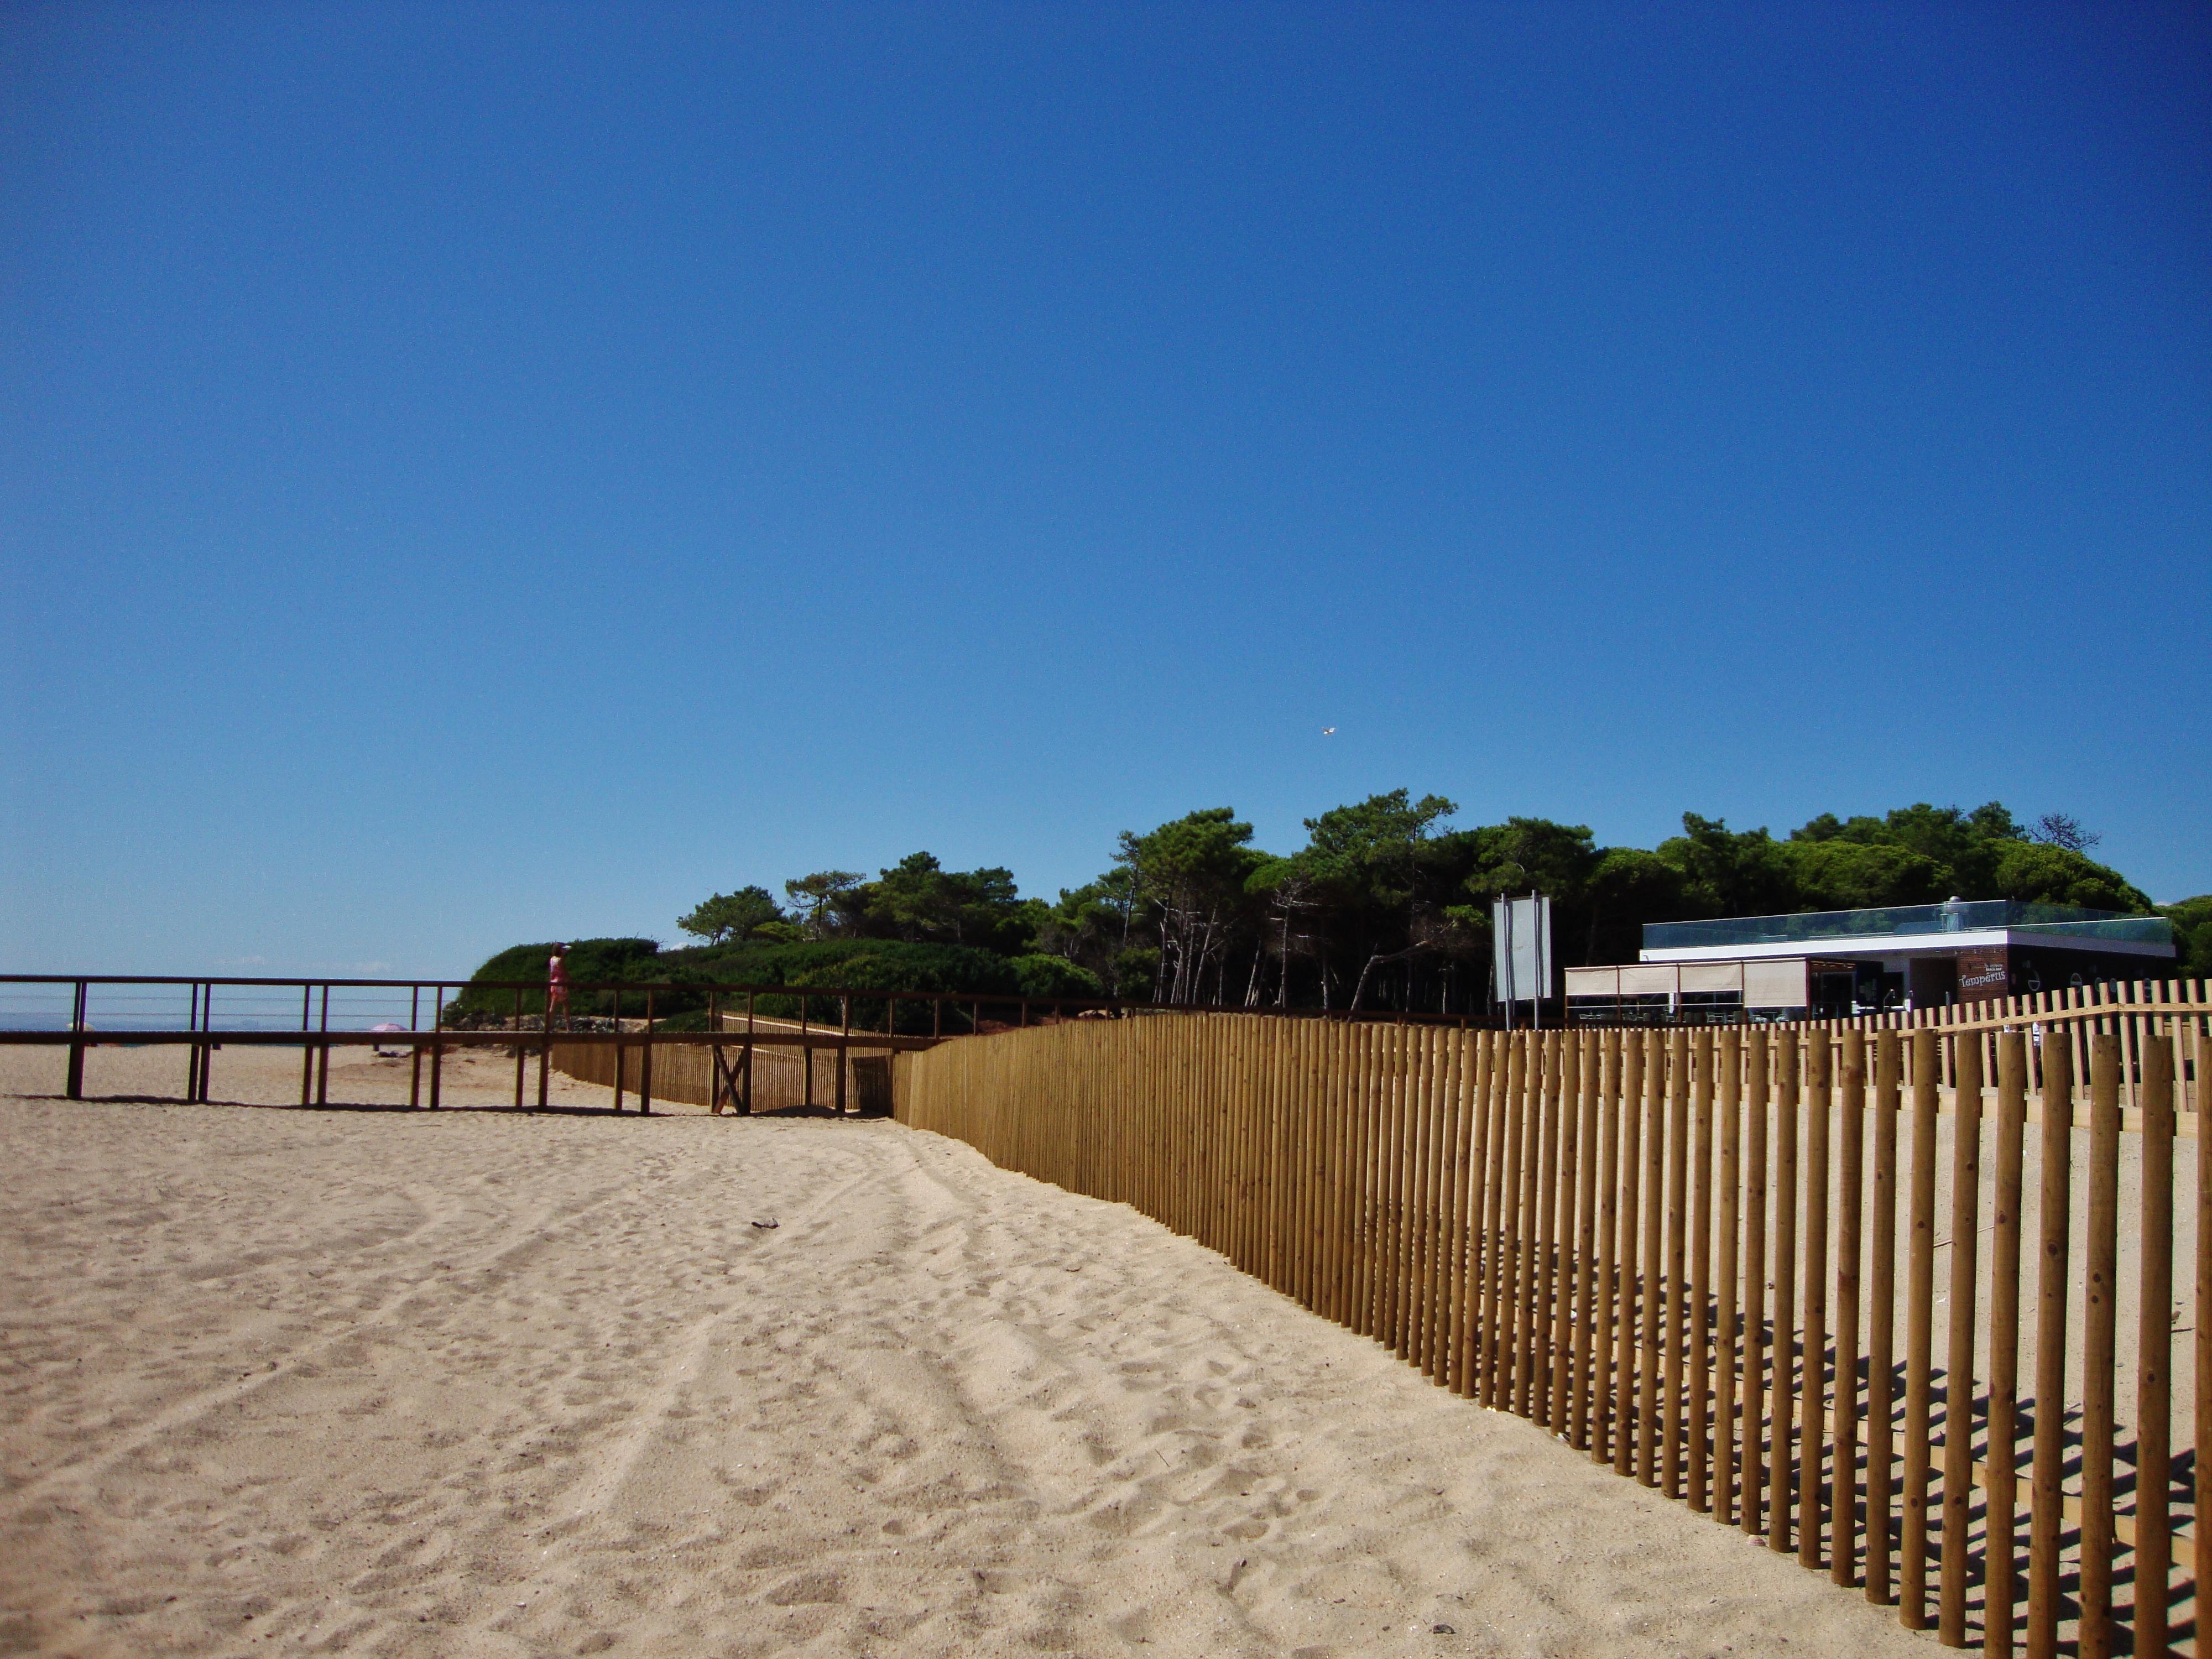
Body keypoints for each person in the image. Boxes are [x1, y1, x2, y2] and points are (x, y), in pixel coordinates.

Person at [547, 944, 571, 1028]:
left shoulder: (552, 959)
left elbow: (552, 973)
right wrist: (570, 982)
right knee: (566, 1005)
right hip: (561, 983)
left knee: (553, 1004)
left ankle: (549, 1025)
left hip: (554, 983)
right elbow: (564, 972)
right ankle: (569, 1025)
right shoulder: (560, 960)